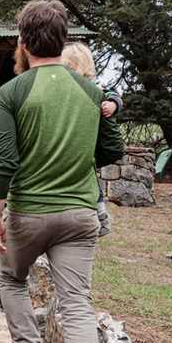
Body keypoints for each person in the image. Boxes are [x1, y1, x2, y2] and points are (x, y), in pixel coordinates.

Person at [0, 0, 125, 343]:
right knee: (77, 304)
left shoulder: (13, 91)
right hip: (80, 214)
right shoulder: (90, 92)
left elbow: (4, 159)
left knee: (10, 277)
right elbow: (111, 152)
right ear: (63, 41)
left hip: (29, 212)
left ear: (24, 42)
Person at [61, 42, 124, 236]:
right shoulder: (92, 91)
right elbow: (113, 147)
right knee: (88, 175)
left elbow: (113, 95)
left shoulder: (97, 91)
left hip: (74, 150)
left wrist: (114, 104)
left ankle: (98, 207)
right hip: (83, 154)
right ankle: (98, 208)